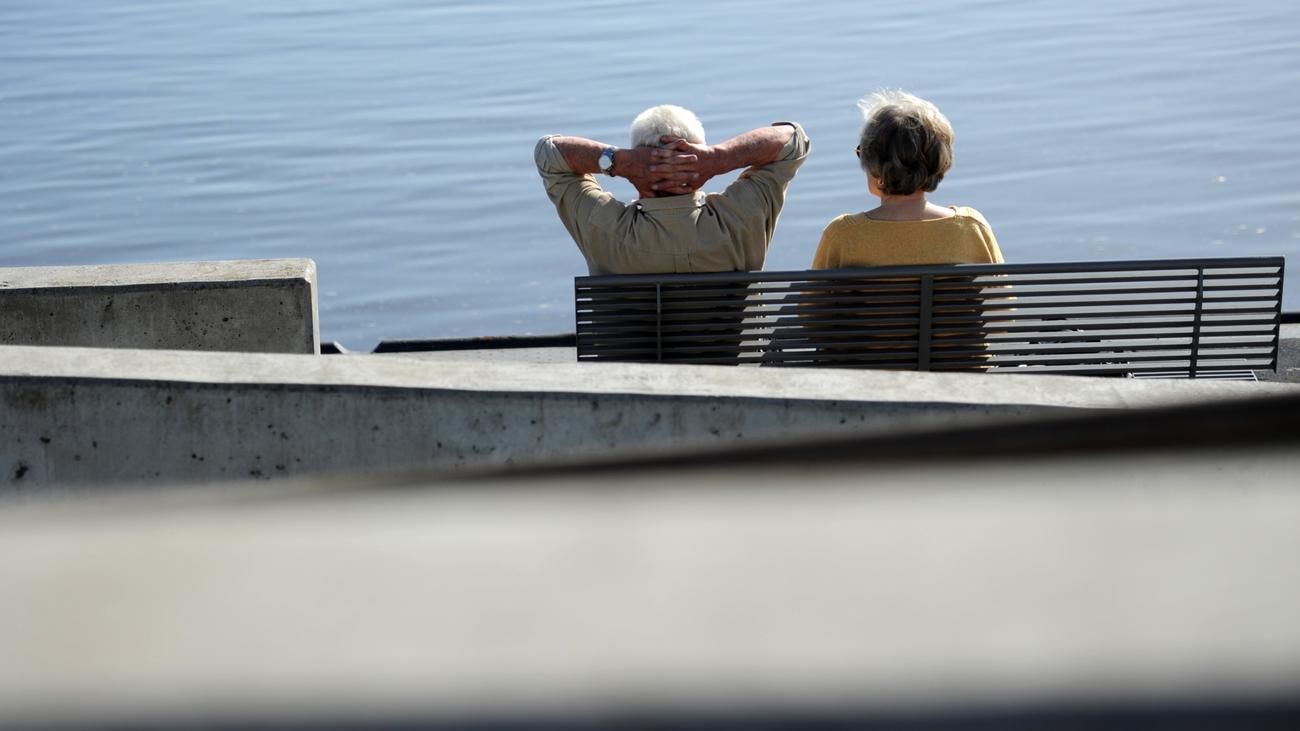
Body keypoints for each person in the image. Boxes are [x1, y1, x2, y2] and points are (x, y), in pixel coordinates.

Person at [535, 106, 810, 275]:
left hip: (629, 368)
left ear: (637, 154)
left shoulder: (602, 226)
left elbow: (549, 154)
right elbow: (793, 139)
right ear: (698, 154)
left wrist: (619, 162)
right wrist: (719, 157)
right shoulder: (742, 217)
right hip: (733, 365)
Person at [812, 90, 1003, 269]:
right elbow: (1001, 300)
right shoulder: (971, 227)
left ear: (874, 166)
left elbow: (812, 302)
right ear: (939, 162)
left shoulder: (843, 234)